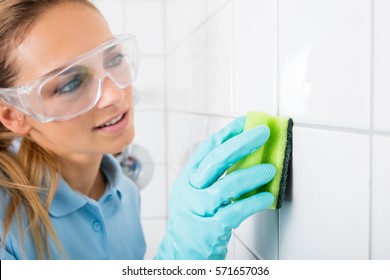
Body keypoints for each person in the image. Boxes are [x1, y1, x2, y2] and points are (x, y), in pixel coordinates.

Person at [0, 0, 276, 260]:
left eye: (114, 59)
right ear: (14, 115)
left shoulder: (125, 192)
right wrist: (181, 256)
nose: (115, 94)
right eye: (70, 84)